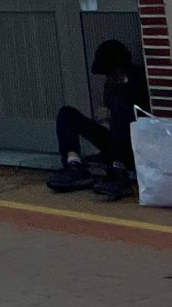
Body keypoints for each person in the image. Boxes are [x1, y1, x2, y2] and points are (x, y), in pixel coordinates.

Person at [47, 39, 149, 201]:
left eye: (114, 73)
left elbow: (140, 118)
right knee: (66, 114)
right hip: (115, 140)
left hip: (136, 145)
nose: (111, 78)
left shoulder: (139, 82)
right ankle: (74, 165)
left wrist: (111, 114)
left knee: (120, 112)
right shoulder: (110, 86)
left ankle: (119, 173)